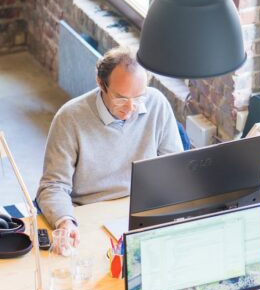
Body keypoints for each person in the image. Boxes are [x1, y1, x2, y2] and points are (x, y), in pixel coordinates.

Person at [36, 46, 183, 251]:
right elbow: (52, 186)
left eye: (138, 97)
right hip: (88, 215)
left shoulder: (156, 103)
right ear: (101, 83)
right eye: (121, 98)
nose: (131, 108)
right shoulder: (69, 118)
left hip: (140, 212)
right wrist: (65, 222)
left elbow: (174, 170)